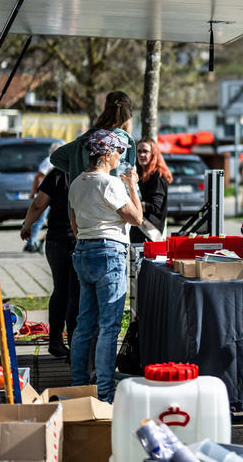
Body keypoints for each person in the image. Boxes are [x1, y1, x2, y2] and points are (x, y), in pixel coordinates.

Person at [68, 129, 143, 403]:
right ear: (108, 154)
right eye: (119, 151)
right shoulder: (110, 184)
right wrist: (132, 186)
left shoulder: (77, 183)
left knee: (84, 324)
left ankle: (78, 384)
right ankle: (104, 391)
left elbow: (75, 224)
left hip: (84, 251)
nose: (120, 156)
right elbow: (136, 218)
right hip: (108, 252)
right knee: (109, 326)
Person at [19, 167, 77, 358]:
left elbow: (38, 204)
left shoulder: (57, 173)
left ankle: (56, 341)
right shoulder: (88, 170)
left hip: (55, 240)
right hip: (78, 239)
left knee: (60, 290)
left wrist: (27, 225)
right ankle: (76, 345)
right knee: (75, 294)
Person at [51, 91, 136, 183]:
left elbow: (56, 157)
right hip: (109, 194)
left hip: (82, 192)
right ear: (128, 114)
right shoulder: (120, 139)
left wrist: (78, 170)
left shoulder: (87, 138)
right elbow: (115, 173)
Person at [129, 138, 172, 243]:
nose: (141, 155)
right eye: (139, 151)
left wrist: (131, 205)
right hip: (137, 231)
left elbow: (155, 206)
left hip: (150, 234)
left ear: (153, 154)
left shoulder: (157, 175)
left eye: (145, 151)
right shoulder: (138, 174)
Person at [25, 142, 63, 253]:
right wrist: (33, 191)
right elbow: (38, 176)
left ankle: (35, 241)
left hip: (51, 194)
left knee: (46, 220)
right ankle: (30, 242)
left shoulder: (56, 162)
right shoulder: (49, 161)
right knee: (40, 220)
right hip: (44, 194)